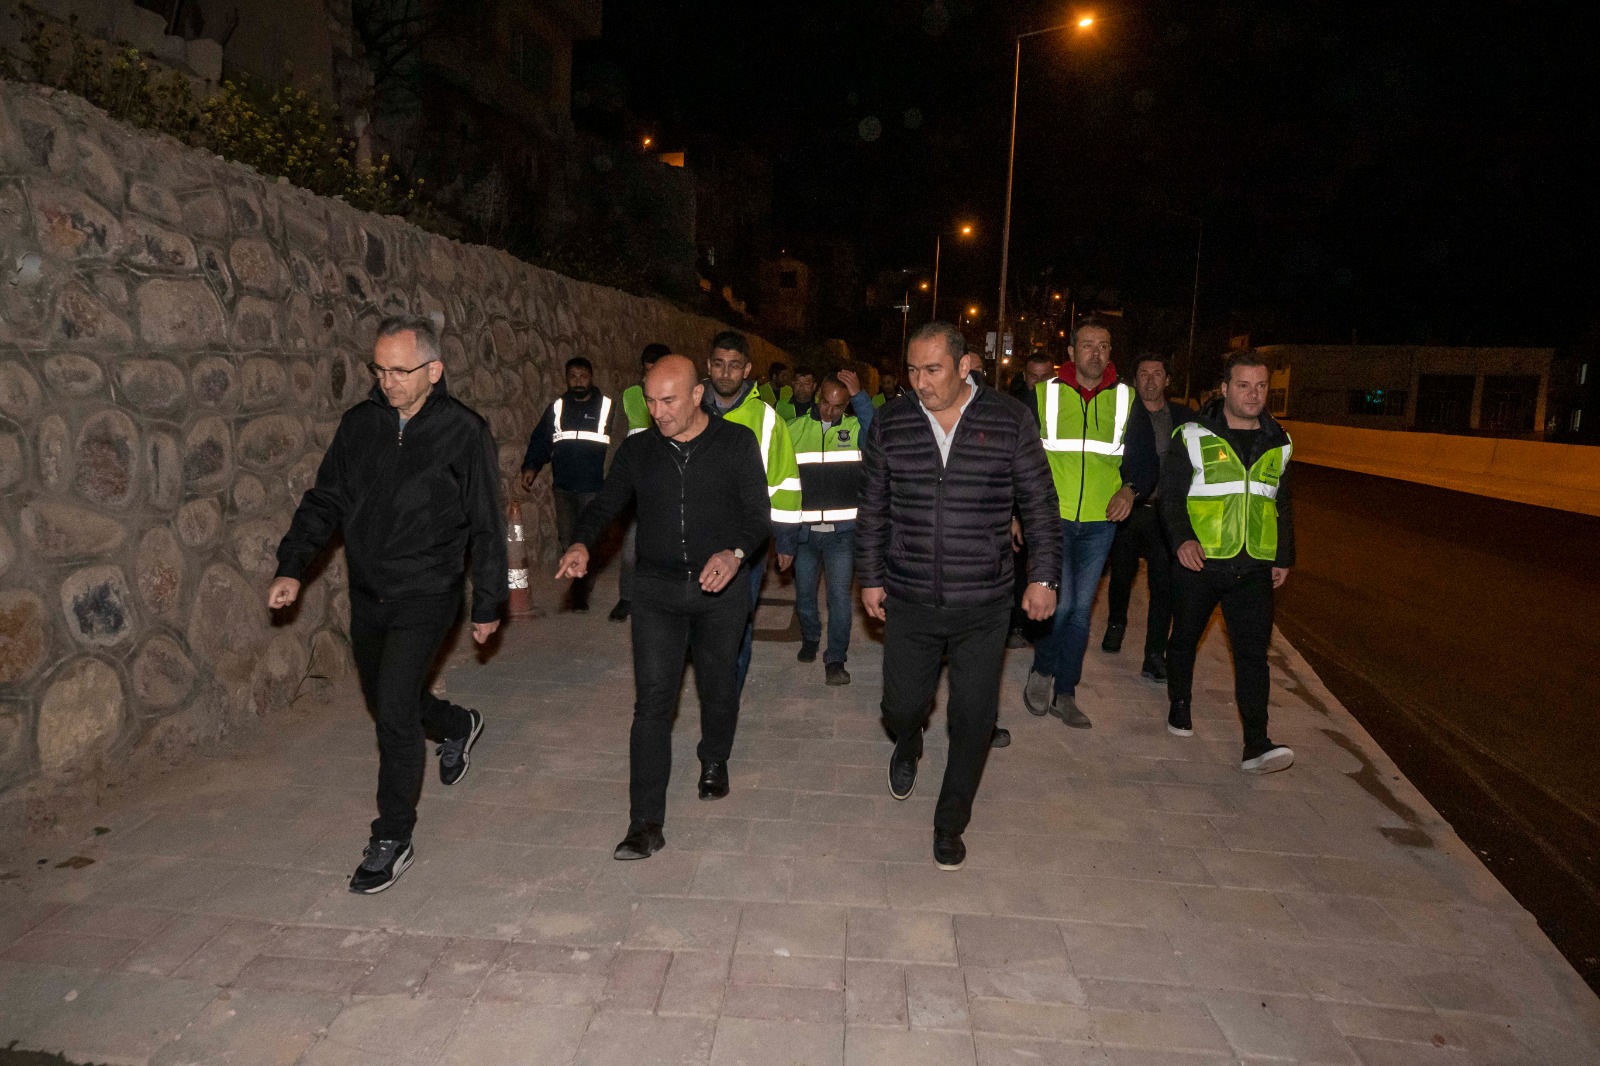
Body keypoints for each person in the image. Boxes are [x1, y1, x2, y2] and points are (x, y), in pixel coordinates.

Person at [268, 315, 505, 894]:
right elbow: (325, 500)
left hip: (429, 592)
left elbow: (487, 525)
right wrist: (293, 566)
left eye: (401, 370)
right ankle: (457, 724)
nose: (388, 381)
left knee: (394, 711)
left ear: (434, 370)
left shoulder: (463, 431)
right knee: (387, 700)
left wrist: (489, 602)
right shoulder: (360, 426)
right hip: (370, 592)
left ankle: (392, 836)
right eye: (379, 369)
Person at [856, 322, 1060, 871]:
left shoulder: (1009, 419)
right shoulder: (891, 423)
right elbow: (872, 504)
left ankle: (950, 821)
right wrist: (869, 575)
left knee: (973, 717)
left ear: (965, 365)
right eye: (912, 370)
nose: (919, 382)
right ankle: (907, 741)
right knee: (901, 705)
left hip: (984, 600)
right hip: (910, 593)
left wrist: (1044, 576)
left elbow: (1039, 502)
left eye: (933, 370)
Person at [557, 355, 771, 858]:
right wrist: (582, 542)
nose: (658, 411)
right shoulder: (638, 450)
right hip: (656, 593)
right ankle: (645, 822)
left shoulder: (735, 443)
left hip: (719, 592)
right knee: (653, 703)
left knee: (718, 686)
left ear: (697, 395)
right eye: (650, 400)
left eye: (668, 400)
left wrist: (734, 552)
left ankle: (714, 757)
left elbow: (759, 516)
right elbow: (606, 504)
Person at [1161, 352, 1297, 774]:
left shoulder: (1280, 441)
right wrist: (1182, 540)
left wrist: (1284, 556)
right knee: (1184, 638)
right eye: (1243, 385)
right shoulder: (1192, 435)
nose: (1253, 394)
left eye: (1260, 386)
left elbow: (1283, 504)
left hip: (1254, 567)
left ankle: (1256, 744)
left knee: (1254, 655)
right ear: (1224, 389)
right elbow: (1170, 496)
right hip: (1200, 563)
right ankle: (1179, 704)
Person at [1023, 318, 1155, 729]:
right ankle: (1042, 670)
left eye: (1104, 346)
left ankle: (1066, 691)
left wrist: (1129, 491)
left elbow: (1147, 462)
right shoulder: (1042, 396)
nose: (1095, 353)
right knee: (1059, 608)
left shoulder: (1126, 401)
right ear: (1071, 351)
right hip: (1051, 519)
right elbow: (1019, 460)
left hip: (1100, 524)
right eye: (1087, 345)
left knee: (1081, 611)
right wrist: (1016, 512)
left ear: (1110, 353)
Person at [702, 330, 803, 694]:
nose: (725, 373)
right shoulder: (687, 409)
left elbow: (784, 483)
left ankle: (727, 693)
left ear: (747, 370)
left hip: (748, 541)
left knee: (737, 619)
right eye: (718, 364)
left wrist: (787, 541)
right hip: (694, 535)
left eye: (733, 366)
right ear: (708, 365)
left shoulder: (766, 419)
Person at [1102, 354, 1197, 681]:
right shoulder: (1122, 413)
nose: (1151, 380)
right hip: (1130, 511)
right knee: (1122, 576)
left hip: (1165, 516)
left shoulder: (1185, 418)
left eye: (1157, 373)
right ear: (1135, 379)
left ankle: (1154, 655)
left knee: (1164, 586)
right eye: (1144, 374)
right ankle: (1116, 624)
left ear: (1168, 380)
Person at [782, 369, 873, 685]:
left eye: (838, 405)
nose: (829, 411)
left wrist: (861, 397)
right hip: (804, 534)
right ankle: (809, 636)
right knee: (805, 594)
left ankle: (836, 658)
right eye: (825, 403)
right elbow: (780, 479)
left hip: (842, 535)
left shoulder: (855, 429)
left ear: (846, 404)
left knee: (839, 598)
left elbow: (878, 434)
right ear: (819, 395)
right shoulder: (793, 429)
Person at [519, 356, 623, 613]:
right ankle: (578, 584)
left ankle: (580, 594)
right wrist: (531, 466)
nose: (578, 382)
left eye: (583, 377)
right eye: (573, 377)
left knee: (586, 539)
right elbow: (541, 440)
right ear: (567, 379)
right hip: (563, 487)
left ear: (591, 378)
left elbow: (620, 446)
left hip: (593, 488)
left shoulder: (607, 407)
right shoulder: (557, 408)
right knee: (568, 540)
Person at [611, 343, 670, 622]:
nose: (648, 378)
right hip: (639, 484)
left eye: (654, 371)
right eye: (645, 372)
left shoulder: (677, 398)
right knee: (631, 546)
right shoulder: (632, 396)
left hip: (669, 483)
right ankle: (627, 597)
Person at [1006, 351, 1059, 650]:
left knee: (1044, 568)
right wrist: (1012, 515)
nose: (1039, 382)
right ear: (1024, 377)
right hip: (1019, 506)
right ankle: (1016, 625)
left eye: (1045, 376)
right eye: (1033, 376)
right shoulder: (1014, 409)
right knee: (1016, 566)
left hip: (1047, 502)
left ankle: (1038, 628)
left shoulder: (1062, 406)